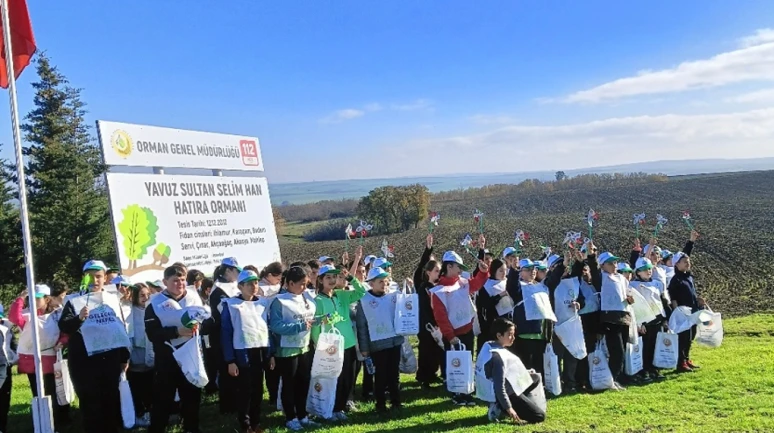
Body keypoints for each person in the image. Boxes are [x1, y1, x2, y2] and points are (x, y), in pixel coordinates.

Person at [58, 260, 131, 433]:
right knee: (90, 402)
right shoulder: (74, 301)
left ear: (105, 278)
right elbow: (64, 326)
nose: (94, 280)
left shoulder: (113, 299)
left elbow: (119, 328)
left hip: (110, 358)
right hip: (84, 361)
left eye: (98, 276)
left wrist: (124, 356)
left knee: (110, 399)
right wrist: (79, 318)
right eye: (90, 276)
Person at [145, 264, 209, 433]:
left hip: (191, 355)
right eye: (175, 280)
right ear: (165, 281)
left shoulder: (194, 297)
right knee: (163, 399)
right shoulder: (155, 303)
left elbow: (205, 321)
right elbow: (152, 334)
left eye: (182, 280)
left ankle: (191, 428)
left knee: (192, 396)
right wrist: (176, 332)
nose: (179, 284)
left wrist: (198, 326)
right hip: (167, 358)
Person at [312, 247, 365, 420]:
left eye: (334, 277)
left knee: (348, 378)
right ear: (320, 280)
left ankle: (340, 408)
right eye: (328, 277)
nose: (332, 280)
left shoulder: (342, 295)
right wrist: (317, 344)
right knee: (333, 379)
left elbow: (361, 292)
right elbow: (315, 325)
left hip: (348, 343)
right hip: (330, 347)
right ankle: (331, 408)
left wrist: (349, 277)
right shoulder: (317, 301)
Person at [430, 250, 489, 406]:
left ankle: (467, 392)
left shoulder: (462, 282)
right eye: (458, 266)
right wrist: (450, 336)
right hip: (453, 335)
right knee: (455, 365)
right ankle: (457, 394)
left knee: (467, 362)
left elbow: (476, 284)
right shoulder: (437, 291)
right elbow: (440, 317)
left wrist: (483, 273)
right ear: (449, 266)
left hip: (467, 331)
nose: (461, 270)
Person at [11, 284, 70, 430]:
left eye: (37, 298)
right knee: (38, 393)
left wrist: (61, 343)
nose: (33, 300)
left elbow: (65, 334)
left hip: (51, 361)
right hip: (32, 362)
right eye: (30, 297)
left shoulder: (57, 314)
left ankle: (58, 422)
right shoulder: (27, 314)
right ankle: (42, 422)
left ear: (47, 299)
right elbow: (13, 317)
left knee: (54, 392)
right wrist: (20, 298)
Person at [222, 270, 275, 433]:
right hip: (242, 352)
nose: (254, 286)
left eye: (256, 282)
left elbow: (267, 328)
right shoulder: (231, 305)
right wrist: (230, 360)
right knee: (245, 390)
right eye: (250, 283)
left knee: (258, 389)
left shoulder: (263, 303)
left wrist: (271, 353)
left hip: (259, 350)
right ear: (240, 286)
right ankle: (245, 424)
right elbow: (226, 333)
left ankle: (256, 422)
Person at [269, 266, 321, 431]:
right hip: (286, 350)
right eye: (301, 284)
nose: (305, 287)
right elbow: (276, 325)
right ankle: (290, 417)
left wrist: (320, 320)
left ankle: (303, 415)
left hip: (304, 348)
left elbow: (309, 318)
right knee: (289, 385)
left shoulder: (306, 297)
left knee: (303, 383)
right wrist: (298, 326)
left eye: (306, 284)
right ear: (290, 283)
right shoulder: (279, 301)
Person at [355, 267, 404, 413]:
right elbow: (361, 326)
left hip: (394, 342)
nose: (384, 284)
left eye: (386, 281)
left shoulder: (393, 297)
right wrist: (364, 348)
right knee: (381, 375)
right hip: (378, 344)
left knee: (394, 373)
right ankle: (380, 404)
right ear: (371, 283)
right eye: (380, 282)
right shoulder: (364, 301)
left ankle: (396, 401)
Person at [482, 318, 546, 425]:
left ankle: (511, 404)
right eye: (510, 335)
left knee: (535, 377)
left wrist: (525, 372)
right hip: (506, 392)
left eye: (513, 334)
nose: (513, 338)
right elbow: (499, 387)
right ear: (499, 335)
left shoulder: (490, 345)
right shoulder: (498, 357)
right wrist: (509, 408)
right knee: (539, 416)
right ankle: (501, 406)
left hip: (507, 386)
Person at [598, 251, 635, 391]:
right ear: (602, 266)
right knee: (616, 352)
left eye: (615, 262)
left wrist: (630, 298)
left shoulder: (621, 278)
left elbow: (628, 294)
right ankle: (610, 380)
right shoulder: (601, 277)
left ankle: (615, 379)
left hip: (624, 317)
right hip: (610, 319)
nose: (614, 265)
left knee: (622, 351)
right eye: (610, 263)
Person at [549, 251, 586, 393]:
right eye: (560, 266)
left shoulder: (573, 281)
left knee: (571, 354)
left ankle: (570, 382)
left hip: (571, 324)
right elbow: (552, 283)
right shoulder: (550, 282)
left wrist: (579, 304)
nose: (564, 269)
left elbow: (581, 298)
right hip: (556, 326)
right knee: (557, 355)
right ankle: (557, 382)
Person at [209, 257, 242, 414]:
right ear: (228, 270)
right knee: (226, 370)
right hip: (221, 334)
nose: (239, 274)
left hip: (235, 333)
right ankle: (227, 407)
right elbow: (225, 312)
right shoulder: (219, 289)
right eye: (237, 271)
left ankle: (236, 401)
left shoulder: (232, 286)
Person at [668, 246, 706, 373]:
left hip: (693, 311)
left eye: (688, 261)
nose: (688, 263)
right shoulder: (675, 280)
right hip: (683, 313)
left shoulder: (688, 277)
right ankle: (681, 363)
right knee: (683, 338)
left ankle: (687, 359)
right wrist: (677, 313)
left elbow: (692, 293)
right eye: (685, 261)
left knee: (691, 336)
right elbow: (673, 298)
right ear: (677, 264)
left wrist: (698, 300)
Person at [630, 257, 669, 381]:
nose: (648, 271)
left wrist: (664, 319)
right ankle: (644, 370)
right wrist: (639, 323)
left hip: (657, 320)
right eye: (644, 269)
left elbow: (661, 302)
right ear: (638, 272)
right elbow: (635, 307)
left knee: (655, 346)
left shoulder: (657, 283)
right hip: (644, 322)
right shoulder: (633, 285)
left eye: (649, 268)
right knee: (645, 347)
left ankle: (654, 369)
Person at [414, 234, 444, 389]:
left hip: (437, 324)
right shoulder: (423, 286)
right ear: (429, 272)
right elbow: (426, 308)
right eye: (436, 270)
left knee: (435, 351)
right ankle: (423, 376)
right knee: (426, 350)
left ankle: (433, 373)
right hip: (426, 325)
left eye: (439, 270)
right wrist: (428, 249)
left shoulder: (437, 287)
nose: (439, 273)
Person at [127, 283, 153, 427]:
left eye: (147, 294)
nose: (145, 298)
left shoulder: (152, 308)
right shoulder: (130, 311)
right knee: (137, 384)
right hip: (136, 351)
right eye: (142, 295)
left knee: (150, 384)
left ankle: (150, 411)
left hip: (150, 350)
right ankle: (139, 413)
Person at [0, 305, 17, 433]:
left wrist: (15, 357)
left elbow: (12, 344)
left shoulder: (6, 327)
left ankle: (2, 427)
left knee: (4, 398)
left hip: (6, 365)